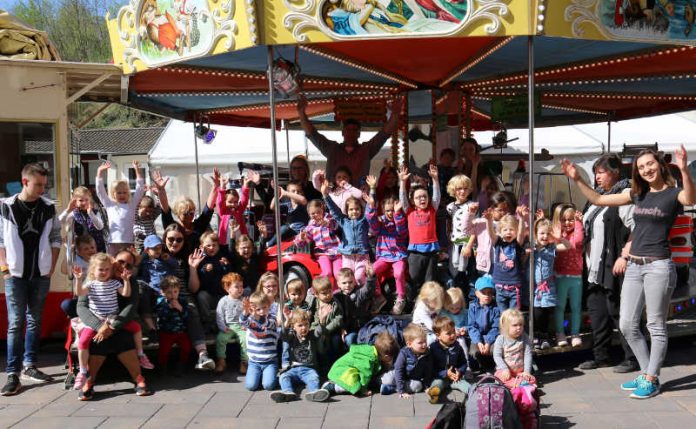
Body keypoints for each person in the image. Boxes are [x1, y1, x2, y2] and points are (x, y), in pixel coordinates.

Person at [561, 145, 696, 399]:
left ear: (660, 165)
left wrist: (685, 169)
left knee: (656, 325)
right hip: (634, 266)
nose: (647, 169)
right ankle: (647, 373)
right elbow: (599, 199)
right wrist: (577, 178)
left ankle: (652, 377)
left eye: (650, 164)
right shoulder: (636, 194)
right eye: (641, 167)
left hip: (658, 266)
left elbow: (690, 199)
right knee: (626, 324)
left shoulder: (672, 193)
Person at [1, 163, 61, 396]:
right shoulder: (5, 207)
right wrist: (5, 269)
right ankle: (12, 372)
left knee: (34, 320)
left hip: (40, 273)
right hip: (15, 274)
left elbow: (56, 237)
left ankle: (30, 365)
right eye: (38, 185)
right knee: (16, 322)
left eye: (44, 186)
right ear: (25, 181)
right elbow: (0, 240)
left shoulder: (48, 207)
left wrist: (51, 267)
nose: (42, 190)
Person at [576, 154, 637, 373]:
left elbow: (635, 228)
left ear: (615, 172)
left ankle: (632, 357)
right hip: (594, 266)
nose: (597, 177)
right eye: (595, 173)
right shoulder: (597, 196)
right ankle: (601, 356)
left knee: (619, 312)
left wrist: (624, 255)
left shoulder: (625, 194)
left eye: (600, 172)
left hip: (614, 265)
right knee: (597, 312)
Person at [74, 249, 152, 400]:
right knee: (97, 341)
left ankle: (138, 378)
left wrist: (113, 326)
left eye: (128, 265)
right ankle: (89, 380)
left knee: (123, 339)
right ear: (113, 260)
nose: (123, 266)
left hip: (119, 322)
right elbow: (81, 306)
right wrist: (99, 327)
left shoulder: (129, 281)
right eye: (121, 261)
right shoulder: (92, 280)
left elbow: (131, 307)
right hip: (98, 322)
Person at [297, 95, 403, 185]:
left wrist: (395, 115)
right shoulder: (332, 149)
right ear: (343, 132)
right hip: (334, 197)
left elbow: (384, 134)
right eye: (348, 130)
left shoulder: (365, 150)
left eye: (354, 130)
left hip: (356, 201)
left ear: (359, 133)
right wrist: (301, 113)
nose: (351, 133)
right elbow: (312, 134)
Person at [162, 224, 215, 370]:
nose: (175, 243)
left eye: (179, 240)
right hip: (163, 296)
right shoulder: (158, 255)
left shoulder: (187, 258)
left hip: (184, 296)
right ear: (165, 239)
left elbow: (193, 288)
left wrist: (193, 268)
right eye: (171, 239)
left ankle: (202, 355)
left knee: (191, 309)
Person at [366, 176, 408, 314]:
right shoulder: (381, 221)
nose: (390, 213)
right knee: (371, 271)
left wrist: (397, 214)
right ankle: (378, 296)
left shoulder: (400, 220)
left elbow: (401, 232)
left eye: (393, 210)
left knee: (399, 272)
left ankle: (401, 298)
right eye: (388, 210)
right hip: (384, 256)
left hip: (398, 256)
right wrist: (372, 207)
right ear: (383, 210)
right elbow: (373, 226)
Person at [399, 164, 441, 301]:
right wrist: (402, 182)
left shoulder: (432, 209)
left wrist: (435, 179)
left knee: (430, 282)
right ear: (412, 200)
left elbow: (436, 197)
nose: (422, 199)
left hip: (431, 252)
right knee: (413, 279)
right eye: (418, 197)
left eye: (424, 196)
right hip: (415, 252)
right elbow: (403, 200)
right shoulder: (409, 211)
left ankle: (428, 305)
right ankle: (413, 304)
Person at [270, 309, 330, 403]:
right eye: (300, 325)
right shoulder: (292, 336)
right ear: (293, 327)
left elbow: (319, 332)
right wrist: (287, 322)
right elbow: (283, 335)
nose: (304, 328)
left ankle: (314, 392)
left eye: (306, 324)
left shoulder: (311, 335)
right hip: (293, 369)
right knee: (284, 377)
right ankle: (287, 392)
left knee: (314, 378)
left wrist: (322, 321)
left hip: (308, 369)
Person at [322, 176, 370, 286]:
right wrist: (325, 195)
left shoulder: (364, 220)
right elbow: (334, 209)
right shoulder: (343, 221)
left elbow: (370, 210)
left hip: (362, 254)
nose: (354, 211)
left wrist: (371, 193)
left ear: (361, 210)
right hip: (347, 255)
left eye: (357, 209)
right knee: (347, 278)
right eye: (351, 209)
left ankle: (365, 296)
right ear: (347, 211)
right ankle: (349, 299)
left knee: (358, 278)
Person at [531, 218, 571, 350]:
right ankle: (537, 335)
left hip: (548, 287)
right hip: (536, 288)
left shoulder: (551, 248)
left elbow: (567, 246)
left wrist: (557, 237)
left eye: (547, 234)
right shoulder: (533, 247)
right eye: (542, 233)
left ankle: (544, 336)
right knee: (537, 313)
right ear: (536, 234)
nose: (545, 236)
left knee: (546, 311)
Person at [161, 168, 220, 257]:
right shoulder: (172, 227)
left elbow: (208, 208)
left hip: (196, 266)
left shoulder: (198, 226)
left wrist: (215, 186)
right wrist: (161, 190)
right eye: (185, 213)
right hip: (177, 267)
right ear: (177, 213)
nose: (189, 216)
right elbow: (165, 210)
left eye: (191, 213)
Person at [323, 330, 399, 397]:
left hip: (342, 370)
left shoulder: (372, 351)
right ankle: (331, 387)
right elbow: (365, 374)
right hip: (342, 372)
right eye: (391, 357)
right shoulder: (369, 359)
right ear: (386, 356)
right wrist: (363, 390)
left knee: (360, 382)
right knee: (355, 386)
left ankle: (334, 385)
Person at [551, 204, 585, 348]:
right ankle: (560, 333)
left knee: (576, 307)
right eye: (563, 220)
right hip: (560, 276)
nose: (567, 223)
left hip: (576, 276)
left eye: (570, 219)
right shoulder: (556, 236)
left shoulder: (577, 232)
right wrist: (557, 235)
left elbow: (576, 242)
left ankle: (575, 334)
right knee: (560, 307)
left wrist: (578, 222)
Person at [95, 160, 145, 256]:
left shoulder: (131, 204)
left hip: (129, 242)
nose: (122, 195)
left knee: (128, 265)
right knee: (113, 266)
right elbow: (100, 191)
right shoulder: (110, 204)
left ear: (128, 193)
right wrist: (99, 172)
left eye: (125, 192)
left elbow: (140, 189)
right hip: (113, 242)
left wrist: (137, 171)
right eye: (119, 192)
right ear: (113, 194)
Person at [485, 208, 528, 311]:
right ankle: (504, 327)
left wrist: (522, 219)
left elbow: (521, 234)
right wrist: (489, 221)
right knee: (503, 314)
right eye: (505, 230)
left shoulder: (517, 244)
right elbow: (491, 233)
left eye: (511, 230)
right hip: (500, 286)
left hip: (514, 286)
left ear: (516, 231)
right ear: (500, 231)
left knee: (514, 313)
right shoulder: (498, 242)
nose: (508, 232)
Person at [381, 323, 434, 399]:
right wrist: (401, 391)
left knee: (418, 386)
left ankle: (391, 389)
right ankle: (390, 386)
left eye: (425, 341)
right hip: (399, 375)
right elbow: (399, 370)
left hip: (411, 380)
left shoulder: (427, 353)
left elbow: (428, 371)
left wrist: (426, 386)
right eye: (420, 343)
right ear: (409, 344)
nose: (424, 344)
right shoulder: (404, 353)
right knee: (388, 379)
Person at [138, 234, 178, 333]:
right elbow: (142, 277)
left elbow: (175, 265)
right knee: (143, 290)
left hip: (167, 291)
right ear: (147, 250)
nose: (158, 250)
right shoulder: (145, 263)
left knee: (165, 304)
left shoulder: (164, 259)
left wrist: (168, 259)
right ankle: (151, 325)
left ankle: (166, 326)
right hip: (153, 292)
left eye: (160, 248)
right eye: (154, 248)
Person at [294, 199, 341, 282]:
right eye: (313, 213)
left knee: (338, 274)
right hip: (322, 253)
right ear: (309, 214)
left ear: (322, 209)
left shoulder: (329, 218)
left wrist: (327, 224)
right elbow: (301, 243)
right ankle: (316, 287)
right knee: (327, 272)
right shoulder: (310, 227)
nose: (316, 215)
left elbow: (335, 226)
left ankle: (337, 291)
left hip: (336, 252)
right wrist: (301, 238)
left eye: (318, 212)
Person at [241, 291, 279, 391]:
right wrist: (245, 312)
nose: (262, 311)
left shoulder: (272, 319)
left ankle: (269, 374)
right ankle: (261, 375)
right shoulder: (251, 319)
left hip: (270, 361)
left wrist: (256, 316)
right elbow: (243, 322)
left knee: (268, 386)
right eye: (258, 309)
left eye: (264, 308)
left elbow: (265, 324)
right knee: (250, 386)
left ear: (269, 306)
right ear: (253, 309)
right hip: (254, 362)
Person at [428, 316, 470, 404]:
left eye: (453, 331)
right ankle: (433, 394)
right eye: (448, 333)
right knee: (437, 384)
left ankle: (474, 393)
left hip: (454, 377)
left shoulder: (457, 346)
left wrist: (460, 371)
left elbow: (463, 362)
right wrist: (445, 373)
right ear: (438, 336)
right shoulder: (433, 348)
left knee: (464, 384)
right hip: (440, 377)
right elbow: (430, 368)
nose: (453, 335)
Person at [154, 276, 191, 376]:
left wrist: (180, 308)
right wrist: (169, 308)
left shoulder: (182, 301)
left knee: (186, 347)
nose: (173, 295)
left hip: (180, 331)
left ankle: (182, 365)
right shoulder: (161, 302)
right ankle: (163, 366)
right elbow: (161, 317)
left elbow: (187, 317)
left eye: (175, 291)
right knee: (164, 351)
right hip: (166, 332)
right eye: (169, 292)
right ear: (163, 292)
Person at [446, 174, 477, 291]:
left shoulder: (472, 206)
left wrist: (470, 245)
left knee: (466, 272)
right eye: (459, 189)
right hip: (455, 242)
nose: (462, 191)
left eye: (465, 188)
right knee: (454, 269)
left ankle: (469, 298)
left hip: (467, 243)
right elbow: (449, 222)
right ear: (454, 190)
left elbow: (475, 227)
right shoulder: (450, 207)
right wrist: (448, 234)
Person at [493, 309, 536, 389]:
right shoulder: (501, 339)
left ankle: (517, 385)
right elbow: (497, 356)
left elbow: (528, 355)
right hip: (505, 371)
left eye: (521, 325)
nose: (519, 328)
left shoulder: (524, 337)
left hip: (520, 372)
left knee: (531, 379)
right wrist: (505, 369)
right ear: (506, 326)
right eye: (515, 325)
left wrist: (526, 371)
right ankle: (518, 385)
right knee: (500, 376)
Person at [309, 276, 344, 372]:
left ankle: (333, 364)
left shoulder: (334, 303)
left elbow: (339, 318)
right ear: (316, 294)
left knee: (335, 342)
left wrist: (327, 330)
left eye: (330, 291)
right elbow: (310, 317)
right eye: (324, 293)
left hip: (330, 330)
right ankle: (318, 365)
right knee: (316, 343)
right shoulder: (314, 302)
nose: (328, 295)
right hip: (317, 330)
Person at [334, 267, 376, 346]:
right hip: (342, 328)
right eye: (344, 283)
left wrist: (370, 278)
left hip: (358, 328)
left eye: (350, 282)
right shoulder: (336, 296)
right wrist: (341, 328)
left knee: (350, 339)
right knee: (335, 340)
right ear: (338, 284)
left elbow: (368, 290)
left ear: (354, 282)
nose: (347, 285)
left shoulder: (359, 292)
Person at [215, 272, 247, 374]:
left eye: (241, 286)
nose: (240, 289)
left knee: (245, 339)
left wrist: (245, 325)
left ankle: (244, 362)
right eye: (236, 287)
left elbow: (248, 315)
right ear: (227, 288)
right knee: (220, 339)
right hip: (228, 327)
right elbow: (219, 316)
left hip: (241, 326)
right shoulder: (223, 301)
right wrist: (223, 327)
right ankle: (221, 361)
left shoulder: (244, 300)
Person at [467, 275, 500, 372]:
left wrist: (488, 342)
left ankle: (494, 367)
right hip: (478, 338)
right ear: (477, 293)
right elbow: (472, 326)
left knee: (495, 350)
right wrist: (479, 341)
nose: (487, 296)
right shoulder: (472, 307)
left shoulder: (496, 308)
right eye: (483, 293)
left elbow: (496, 327)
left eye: (489, 293)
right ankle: (483, 367)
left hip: (492, 338)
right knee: (474, 352)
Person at [58, 186, 106, 253]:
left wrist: (90, 214)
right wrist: (68, 210)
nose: (84, 203)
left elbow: (100, 226)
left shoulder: (95, 212)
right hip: (81, 249)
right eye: (81, 200)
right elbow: (58, 222)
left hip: (96, 247)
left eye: (86, 200)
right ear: (75, 201)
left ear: (90, 199)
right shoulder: (74, 213)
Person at [267, 180, 309, 246]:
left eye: (299, 191)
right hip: (289, 232)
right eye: (293, 191)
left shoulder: (303, 204)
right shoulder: (287, 205)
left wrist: (285, 193)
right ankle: (269, 244)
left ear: (302, 193)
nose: (296, 193)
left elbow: (303, 200)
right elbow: (272, 207)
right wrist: (277, 194)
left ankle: (269, 244)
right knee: (284, 228)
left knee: (284, 228)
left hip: (301, 233)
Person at [441, 287, 468, 352]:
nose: (454, 310)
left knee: (462, 343)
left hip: (460, 336)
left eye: (457, 308)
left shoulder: (464, 312)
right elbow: (442, 325)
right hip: (448, 334)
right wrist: (453, 330)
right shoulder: (444, 313)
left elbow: (469, 324)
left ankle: (466, 360)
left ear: (461, 304)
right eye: (451, 308)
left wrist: (464, 329)